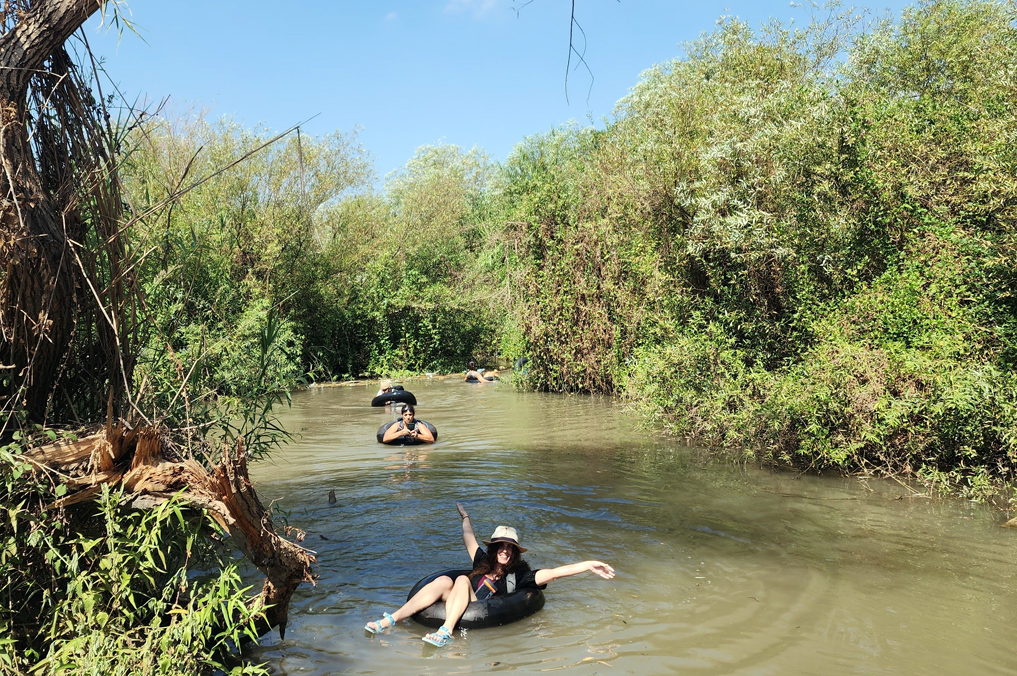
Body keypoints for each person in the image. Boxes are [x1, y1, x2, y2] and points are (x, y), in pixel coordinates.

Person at [364, 502, 615, 647]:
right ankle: (389, 621)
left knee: (461, 579)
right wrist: (465, 517)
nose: (505, 550)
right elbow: (468, 538)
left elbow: (556, 573)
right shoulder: (482, 561)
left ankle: (446, 632)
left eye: (510, 547)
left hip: (480, 606)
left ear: (514, 552)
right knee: (443, 580)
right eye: (501, 546)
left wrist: (589, 564)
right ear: (494, 549)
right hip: (459, 600)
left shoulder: (521, 575)